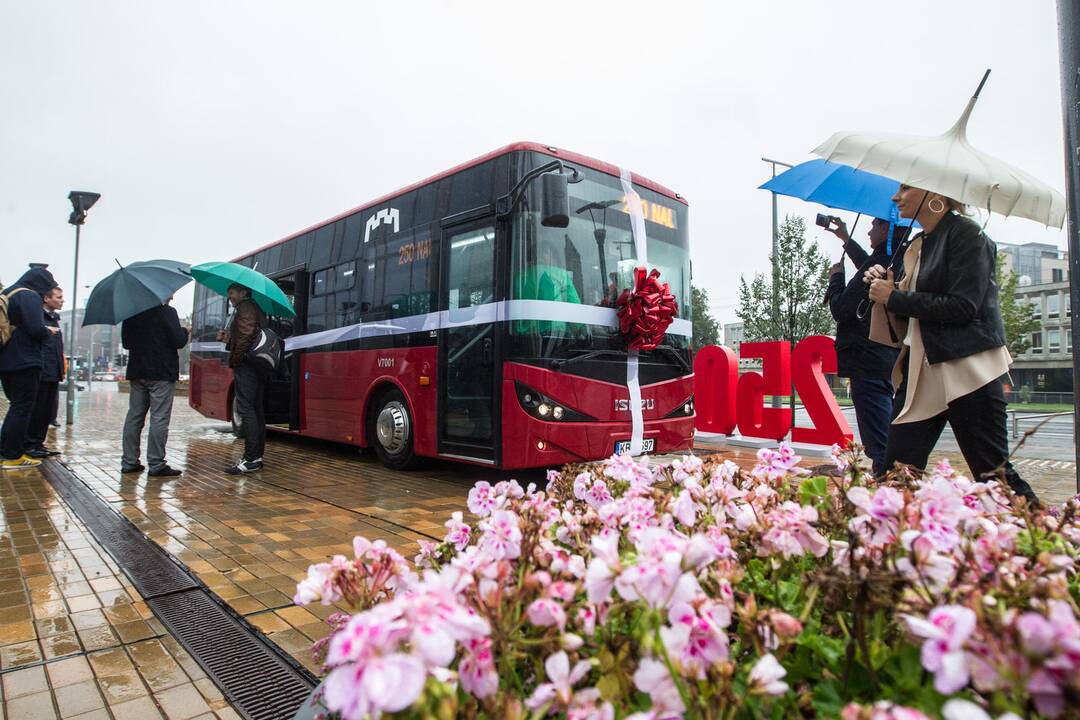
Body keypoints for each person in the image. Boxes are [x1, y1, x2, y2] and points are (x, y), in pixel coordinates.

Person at [865, 184, 1038, 503]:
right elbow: (912, 302)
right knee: (895, 474)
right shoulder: (918, 243)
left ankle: (1045, 541)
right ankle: (884, 548)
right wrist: (887, 286)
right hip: (923, 373)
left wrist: (896, 297)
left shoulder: (968, 235)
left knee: (994, 476)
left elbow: (963, 306)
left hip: (967, 371)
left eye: (905, 188)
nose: (895, 196)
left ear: (935, 194)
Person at [826, 218, 909, 475]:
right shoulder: (899, 259)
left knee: (879, 444)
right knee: (888, 432)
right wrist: (845, 238)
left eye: (874, 225)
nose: (869, 230)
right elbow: (868, 261)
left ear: (887, 228)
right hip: (889, 359)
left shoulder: (878, 264)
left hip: (865, 359)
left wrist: (836, 279)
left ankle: (888, 493)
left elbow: (841, 309)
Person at [120, 297, 189, 476]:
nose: (172, 296)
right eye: (170, 293)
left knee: (134, 417)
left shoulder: (131, 313)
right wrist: (184, 330)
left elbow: (127, 343)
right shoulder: (168, 312)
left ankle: (129, 462)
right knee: (159, 419)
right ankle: (156, 464)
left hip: (138, 372)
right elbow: (179, 341)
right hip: (161, 373)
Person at [0, 266, 60, 469]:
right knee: (23, 408)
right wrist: (48, 332)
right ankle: (13, 456)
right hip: (25, 360)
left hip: (6, 360)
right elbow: (35, 329)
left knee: (15, 407)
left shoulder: (9, 293)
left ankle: (5, 452)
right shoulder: (30, 296)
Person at [217, 283, 267, 474]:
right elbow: (247, 337)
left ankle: (251, 458)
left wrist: (236, 361)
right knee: (255, 409)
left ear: (243, 292)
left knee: (247, 409)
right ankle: (256, 457)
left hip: (247, 366)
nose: (230, 297)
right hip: (255, 365)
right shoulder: (253, 308)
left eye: (232, 293)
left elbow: (246, 336)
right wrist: (228, 341)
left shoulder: (245, 308)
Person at [24, 286, 65, 458]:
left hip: (53, 371)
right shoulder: (39, 318)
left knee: (46, 411)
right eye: (59, 297)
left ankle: (39, 444)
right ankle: (30, 444)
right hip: (43, 372)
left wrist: (60, 370)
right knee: (38, 409)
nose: (62, 300)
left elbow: (56, 349)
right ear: (46, 299)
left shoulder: (54, 318)